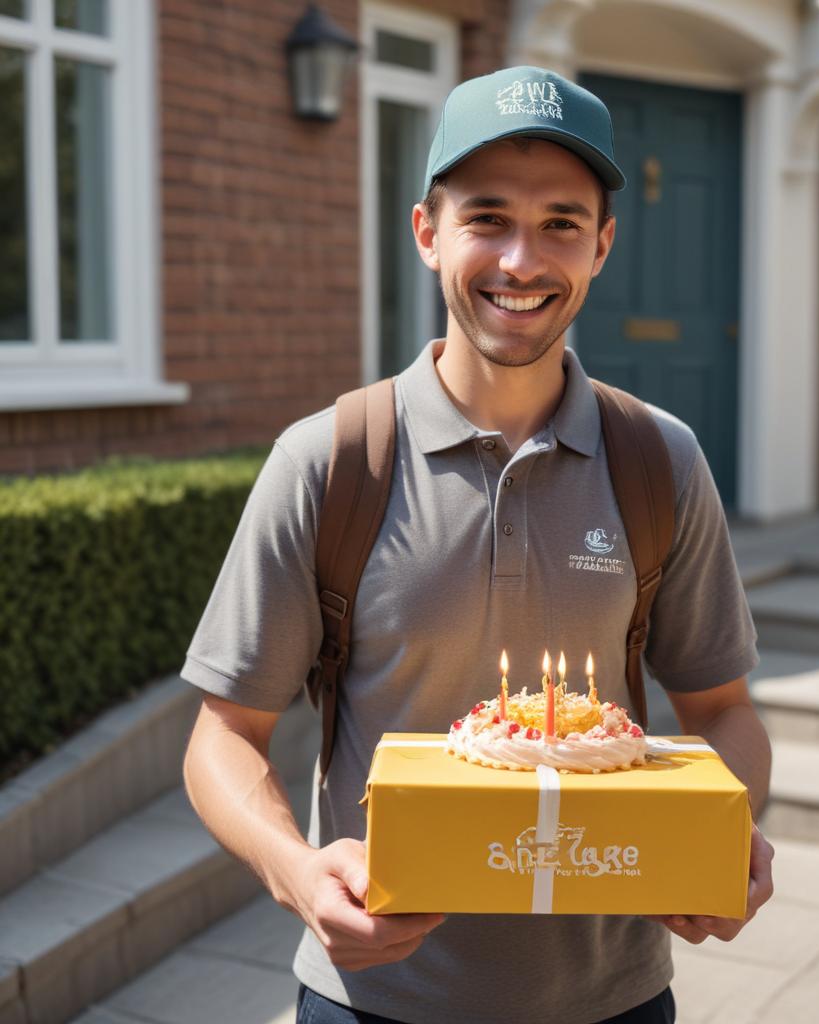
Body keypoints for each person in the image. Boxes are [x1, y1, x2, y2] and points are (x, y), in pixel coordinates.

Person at [182, 66, 774, 1024]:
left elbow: (724, 710)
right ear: (427, 233)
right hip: (374, 998)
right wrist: (297, 873)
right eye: (487, 217)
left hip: (613, 1000)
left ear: (603, 246)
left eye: (560, 225)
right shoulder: (329, 463)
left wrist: (727, 832)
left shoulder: (660, 460)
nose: (520, 260)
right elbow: (223, 736)